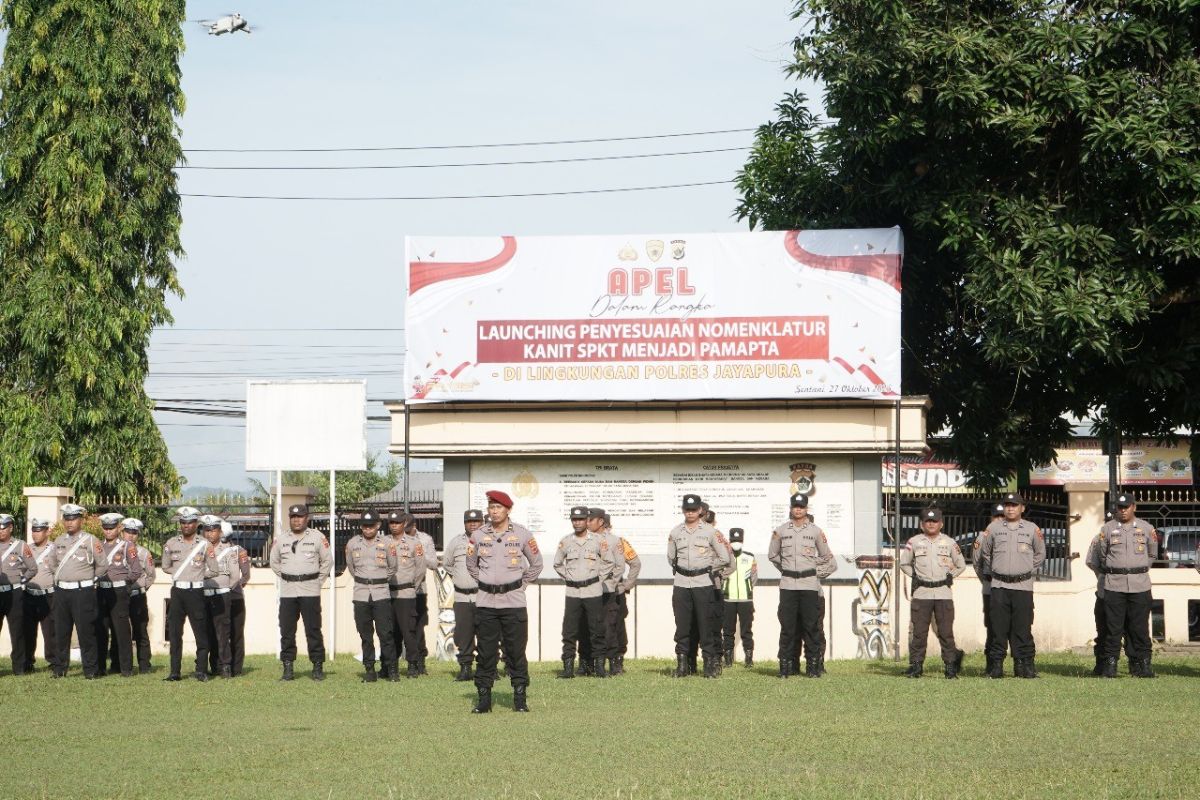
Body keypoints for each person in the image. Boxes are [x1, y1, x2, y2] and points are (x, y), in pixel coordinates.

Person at [466, 490, 544, 713]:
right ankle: (484, 700)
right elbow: (471, 564)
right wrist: (485, 581)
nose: (494, 511)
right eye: (491, 507)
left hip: (514, 602)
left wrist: (521, 584)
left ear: (508, 510)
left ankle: (520, 699)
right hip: (486, 603)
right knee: (485, 652)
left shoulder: (522, 534)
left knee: (516, 652)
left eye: (498, 507)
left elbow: (537, 564)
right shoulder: (478, 535)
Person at [1087, 493, 1159, 678]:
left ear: (1133, 507)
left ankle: (1143, 665)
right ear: (1116, 509)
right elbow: (1102, 557)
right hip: (1114, 586)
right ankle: (1110, 665)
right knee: (1113, 628)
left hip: (1140, 585)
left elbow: (1152, 555)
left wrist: (1136, 569)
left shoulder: (1146, 528)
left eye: (1126, 506)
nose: (1123, 510)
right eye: (1120, 507)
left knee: (1140, 628)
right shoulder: (1107, 529)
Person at [978, 492, 1045, 679]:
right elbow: (986, 553)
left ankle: (1025, 666)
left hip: (1023, 586)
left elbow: (1039, 555)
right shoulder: (993, 528)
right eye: (1007, 505)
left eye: (1014, 505)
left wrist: (1024, 570)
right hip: (999, 586)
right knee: (998, 629)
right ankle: (996, 666)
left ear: (1022, 508)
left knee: (1022, 628)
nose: (1010, 508)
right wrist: (997, 571)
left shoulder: (1032, 529)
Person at [667, 493, 731, 679]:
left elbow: (725, 558)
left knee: (706, 625)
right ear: (682, 510)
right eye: (687, 509)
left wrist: (710, 569)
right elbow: (671, 557)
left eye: (694, 509)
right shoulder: (675, 532)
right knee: (682, 625)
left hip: (703, 583)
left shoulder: (710, 532)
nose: (690, 513)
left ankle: (710, 665)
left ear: (700, 510)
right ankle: (683, 665)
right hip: (681, 583)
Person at [769, 493, 833, 678]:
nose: (798, 509)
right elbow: (772, 555)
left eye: (801, 506)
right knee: (787, 628)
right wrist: (787, 568)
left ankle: (812, 667)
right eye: (795, 506)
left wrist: (810, 567)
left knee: (811, 627)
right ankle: (786, 666)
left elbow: (826, 556)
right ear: (790, 508)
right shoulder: (780, 531)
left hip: (809, 585)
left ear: (806, 509)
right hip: (788, 584)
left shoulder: (815, 531)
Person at [898, 507, 966, 678]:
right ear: (922, 525)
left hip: (943, 593)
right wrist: (915, 576)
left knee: (945, 633)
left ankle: (950, 667)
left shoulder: (950, 543)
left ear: (941, 524)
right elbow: (904, 563)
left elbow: (961, 565)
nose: (931, 524)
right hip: (922, 593)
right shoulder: (914, 542)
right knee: (919, 633)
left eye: (934, 521)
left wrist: (951, 576)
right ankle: (916, 666)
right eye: (928, 521)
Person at [269, 504, 332, 681]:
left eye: (300, 517)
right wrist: (288, 576)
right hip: (288, 591)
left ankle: (317, 666)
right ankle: (288, 667)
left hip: (310, 590)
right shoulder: (281, 539)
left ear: (307, 518)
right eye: (293, 517)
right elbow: (274, 562)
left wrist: (316, 582)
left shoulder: (317, 537)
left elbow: (327, 561)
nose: (296, 520)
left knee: (313, 629)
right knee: (287, 630)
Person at [44, 503, 104, 678]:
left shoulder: (91, 540)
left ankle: (90, 670)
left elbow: (102, 565)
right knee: (61, 632)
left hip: (83, 592)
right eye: (67, 519)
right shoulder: (59, 541)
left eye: (73, 519)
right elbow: (53, 563)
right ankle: (59, 669)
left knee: (86, 632)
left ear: (81, 520)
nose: (69, 522)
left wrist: (89, 580)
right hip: (62, 592)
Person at [554, 505, 613, 679]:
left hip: (592, 591)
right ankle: (568, 668)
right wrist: (569, 577)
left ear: (587, 521)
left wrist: (597, 579)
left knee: (596, 630)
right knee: (570, 630)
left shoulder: (597, 540)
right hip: (572, 592)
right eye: (574, 519)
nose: (577, 522)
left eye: (580, 519)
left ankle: (600, 668)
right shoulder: (566, 541)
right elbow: (557, 564)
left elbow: (608, 562)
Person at [161, 506, 218, 681]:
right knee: (175, 634)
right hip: (178, 591)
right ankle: (174, 672)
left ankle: (200, 670)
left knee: (201, 632)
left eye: (190, 522)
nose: (186, 526)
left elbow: (214, 570)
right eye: (183, 522)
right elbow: (165, 566)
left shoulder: (204, 544)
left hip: (196, 592)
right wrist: (181, 574)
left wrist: (198, 575)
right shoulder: (171, 543)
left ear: (196, 524)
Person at [346, 510, 397, 683]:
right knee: (365, 635)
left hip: (381, 593)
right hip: (361, 594)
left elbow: (393, 567)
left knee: (386, 633)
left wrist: (378, 580)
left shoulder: (387, 543)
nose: (367, 529)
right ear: (361, 526)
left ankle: (391, 669)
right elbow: (352, 568)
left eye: (371, 525)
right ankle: (369, 669)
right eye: (364, 526)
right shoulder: (353, 543)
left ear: (378, 525)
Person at [95, 512, 142, 678]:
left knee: (121, 631)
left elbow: (136, 569)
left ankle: (126, 668)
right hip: (101, 590)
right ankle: (99, 668)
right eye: (106, 528)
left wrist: (126, 583)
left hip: (119, 591)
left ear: (118, 528)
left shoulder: (126, 546)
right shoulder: (97, 545)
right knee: (100, 630)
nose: (108, 531)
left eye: (112, 528)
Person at [389, 512, 434, 678]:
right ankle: (390, 664)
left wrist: (411, 585)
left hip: (413, 592)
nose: (396, 526)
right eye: (392, 522)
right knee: (392, 631)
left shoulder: (420, 541)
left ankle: (416, 663)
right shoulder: (385, 542)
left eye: (400, 523)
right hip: (391, 592)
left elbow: (425, 566)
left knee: (413, 629)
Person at [599, 511, 640, 675]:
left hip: (615, 591)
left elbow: (635, 563)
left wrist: (626, 585)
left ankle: (617, 661)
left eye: (607, 528)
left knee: (616, 627)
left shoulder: (619, 542)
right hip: (595, 591)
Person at [443, 509, 482, 681]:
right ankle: (465, 669)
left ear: (482, 522)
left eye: (476, 521)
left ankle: (487, 669)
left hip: (483, 596)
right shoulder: (456, 542)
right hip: (461, 597)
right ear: (464, 523)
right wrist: (461, 579)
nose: (472, 524)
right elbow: (448, 564)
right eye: (469, 521)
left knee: (486, 634)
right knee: (464, 634)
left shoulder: (488, 541)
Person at [199, 515, 237, 678]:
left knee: (223, 633)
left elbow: (235, 576)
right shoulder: (197, 549)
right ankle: (209, 665)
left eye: (213, 530)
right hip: (202, 595)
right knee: (205, 632)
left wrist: (225, 590)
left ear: (220, 532)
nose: (209, 534)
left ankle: (225, 666)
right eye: (206, 530)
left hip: (221, 595)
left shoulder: (228, 550)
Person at [21, 518, 58, 674]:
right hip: (29, 594)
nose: (35, 534)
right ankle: (27, 661)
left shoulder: (55, 549)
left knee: (50, 631)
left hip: (49, 595)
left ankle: (53, 661)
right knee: (28, 630)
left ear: (47, 531)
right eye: (33, 531)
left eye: (38, 531)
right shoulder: (26, 549)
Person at [0, 512, 35, 675]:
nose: (1, 531)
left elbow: (33, 568)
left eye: (4, 528)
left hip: (14, 593)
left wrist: (22, 580)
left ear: (11, 528)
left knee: (17, 631)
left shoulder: (20, 545)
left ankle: (19, 667)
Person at [217, 520, 251, 676]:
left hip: (235, 598)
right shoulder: (210, 551)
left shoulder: (239, 551)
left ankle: (237, 668)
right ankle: (221, 666)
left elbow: (246, 575)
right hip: (216, 597)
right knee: (220, 633)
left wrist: (235, 586)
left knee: (236, 633)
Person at [121, 518, 155, 674]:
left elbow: (151, 575)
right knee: (119, 631)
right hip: (119, 596)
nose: (131, 536)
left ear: (138, 535)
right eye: (128, 532)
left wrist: (142, 588)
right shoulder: (116, 550)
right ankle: (119, 664)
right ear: (122, 532)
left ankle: (144, 665)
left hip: (137, 596)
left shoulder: (144, 553)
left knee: (140, 630)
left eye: (134, 533)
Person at [722, 527, 757, 667]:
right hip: (727, 599)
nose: (736, 543)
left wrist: (748, 589)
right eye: (734, 540)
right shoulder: (724, 557)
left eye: (739, 540)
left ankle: (749, 659)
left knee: (746, 631)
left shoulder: (749, 557)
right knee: (727, 631)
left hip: (745, 600)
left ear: (742, 541)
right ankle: (728, 660)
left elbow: (754, 577)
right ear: (730, 541)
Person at [973, 503, 1004, 664]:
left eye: (1002, 516)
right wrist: (987, 580)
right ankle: (991, 664)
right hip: (990, 587)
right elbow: (977, 563)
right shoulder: (983, 536)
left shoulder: (1011, 535)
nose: (999, 519)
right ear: (991, 517)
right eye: (996, 516)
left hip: (1009, 587)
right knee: (992, 627)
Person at [408, 516, 439, 674]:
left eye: (408, 526)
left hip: (419, 588)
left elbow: (434, 564)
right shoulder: (392, 539)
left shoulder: (425, 539)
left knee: (418, 626)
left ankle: (420, 661)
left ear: (415, 525)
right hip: (398, 588)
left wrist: (419, 554)